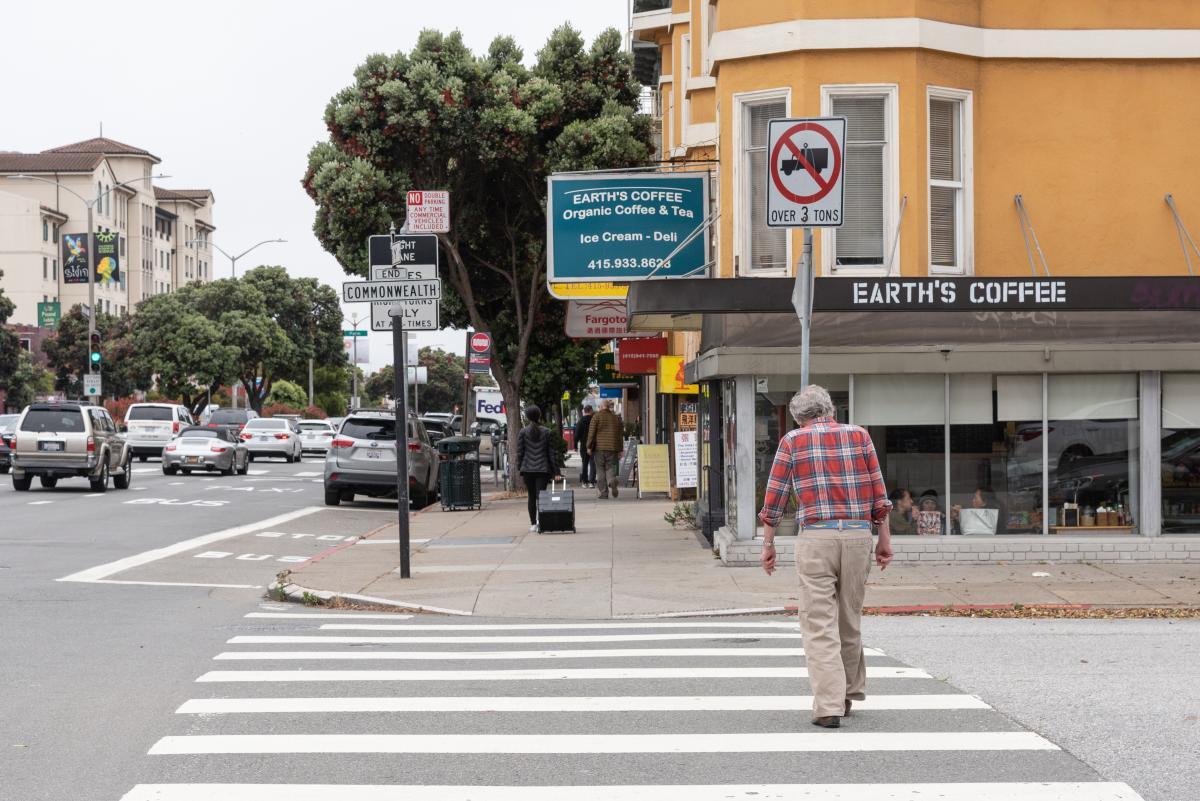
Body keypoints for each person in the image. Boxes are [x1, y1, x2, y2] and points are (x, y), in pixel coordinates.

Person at [759, 385, 893, 730]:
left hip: (817, 537)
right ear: (830, 411)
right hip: (858, 534)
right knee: (849, 617)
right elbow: (878, 493)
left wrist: (768, 543)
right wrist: (884, 539)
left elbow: (775, 496)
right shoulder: (860, 436)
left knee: (819, 622)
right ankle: (847, 693)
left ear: (798, 418)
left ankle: (829, 705)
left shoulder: (792, 441)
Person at [516, 405, 562, 532]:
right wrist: (555, 471)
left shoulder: (523, 432)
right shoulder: (547, 432)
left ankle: (533, 523)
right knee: (541, 496)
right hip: (542, 469)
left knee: (531, 496)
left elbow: (520, 452)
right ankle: (541, 521)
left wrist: (520, 467)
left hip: (527, 469)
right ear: (539, 416)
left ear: (527, 417)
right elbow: (551, 453)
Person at [586, 398, 624, 499]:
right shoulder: (616, 418)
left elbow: (591, 433)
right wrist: (620, 449)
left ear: (601, 407)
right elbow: (620, 435)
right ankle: (612, 480)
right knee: (610, 467)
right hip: (613, 448)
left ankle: (603, 493)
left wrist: (589, 446)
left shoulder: (596, 417)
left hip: (599, 448)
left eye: (599, 406)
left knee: (600, 469)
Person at [574, 405, 596, 488]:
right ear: (591, 410)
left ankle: (584, 481)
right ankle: (592, 482)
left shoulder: (580, 421)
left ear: (584, 411)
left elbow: (576, 435)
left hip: (583, 446)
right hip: (593, 445)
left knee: (585, 464)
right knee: (593, 463)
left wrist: (575, 446)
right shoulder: (594, 420)